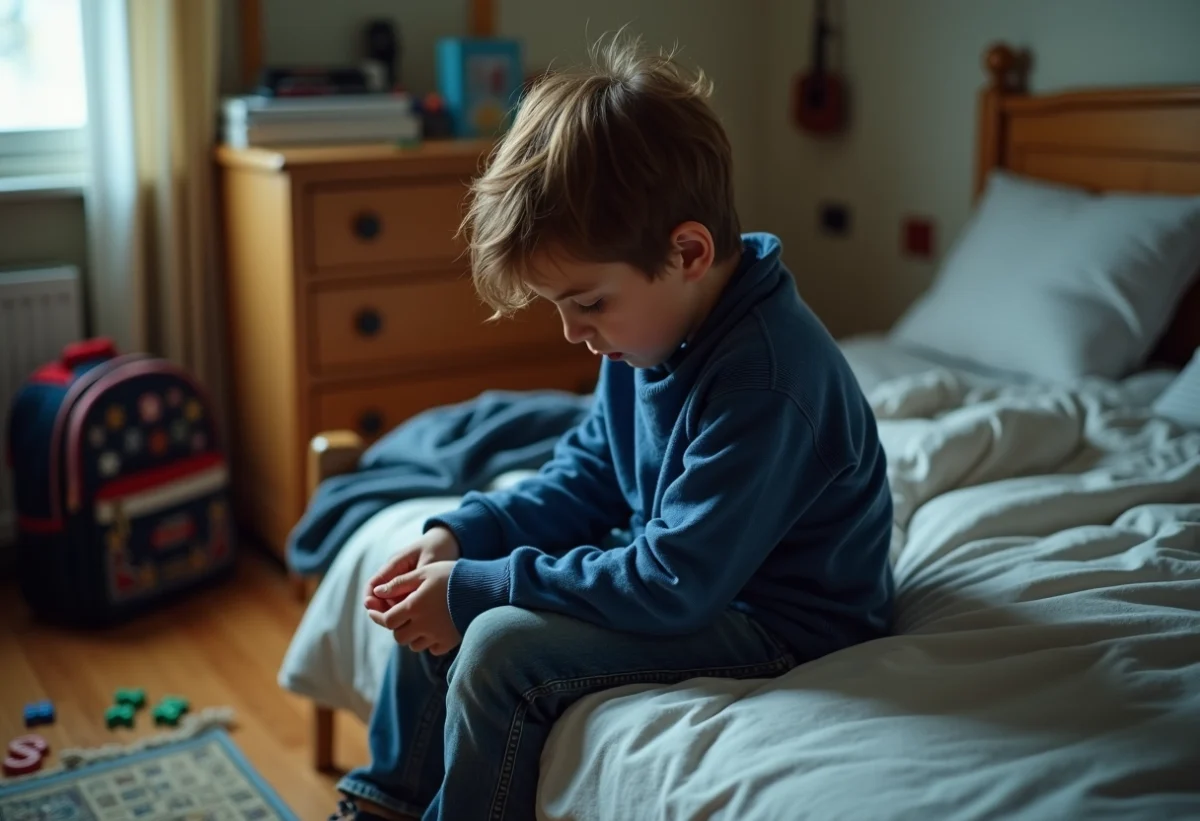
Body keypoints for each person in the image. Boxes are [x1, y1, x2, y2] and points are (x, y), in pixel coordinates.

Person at [330, 33, 894, 821]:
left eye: (587, 302)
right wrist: (468, 536)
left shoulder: (767, 378)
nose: (573, 334)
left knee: (496, 649)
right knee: (445, 582)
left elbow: (674, 582)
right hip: (683, 571)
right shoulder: (651, 329)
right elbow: (594, 471)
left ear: (688, 251)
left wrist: (480, 591)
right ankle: (384, 805)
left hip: (778, 617)